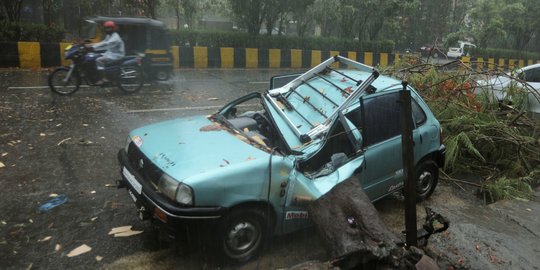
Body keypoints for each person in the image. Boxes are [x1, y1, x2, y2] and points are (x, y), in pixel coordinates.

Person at [85, 21, 125, 85]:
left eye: (109, 28)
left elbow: (106, 44)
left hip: (116, 55)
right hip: (110, 53)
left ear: (113, 28)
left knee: (99, 60)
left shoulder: (115, 38)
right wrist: (91, 44)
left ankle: (104, 78)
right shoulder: (109, 35)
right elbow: (103, 42)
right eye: (106, 28)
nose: (107, 30)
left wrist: (93, 47)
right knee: (93, 56)